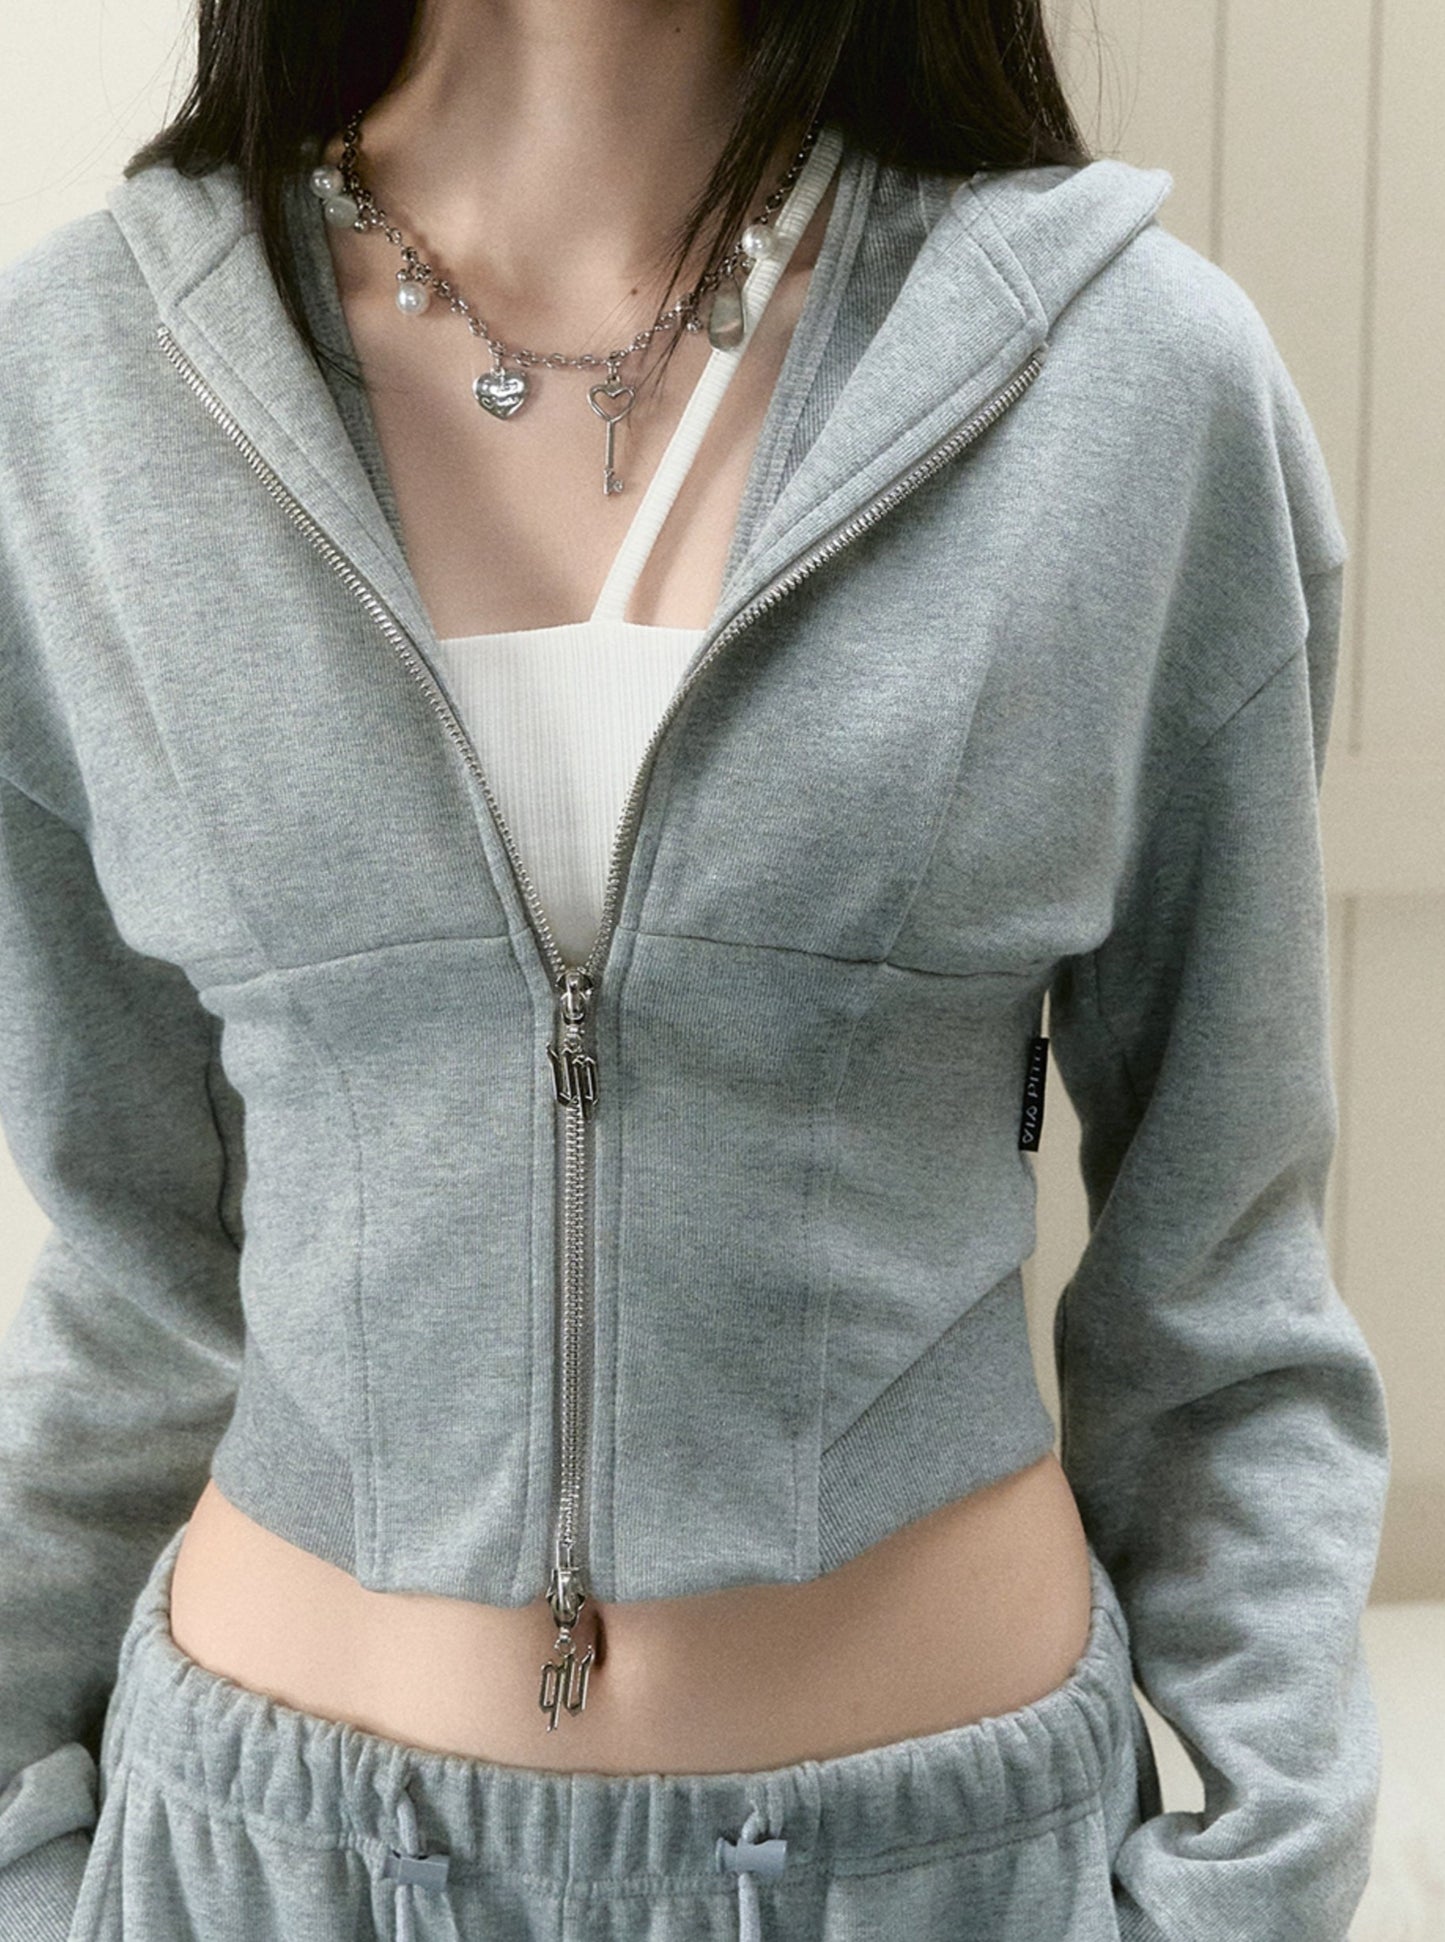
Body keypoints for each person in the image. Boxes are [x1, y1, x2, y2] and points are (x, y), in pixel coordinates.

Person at [0, 0, 1391, 1937]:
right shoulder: (77, 392)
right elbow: (139, 1272)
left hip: (939, 1874)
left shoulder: (1132, 382)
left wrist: (1253, 1884)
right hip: (259, 1866)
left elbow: (1220, 1293)